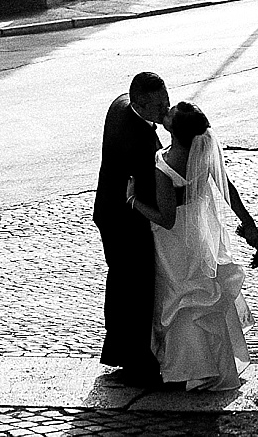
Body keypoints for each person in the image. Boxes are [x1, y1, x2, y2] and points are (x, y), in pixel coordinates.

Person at [128, 101, 258, 391]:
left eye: (171, 113)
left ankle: (191, 368)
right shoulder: (202, 153)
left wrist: (134, 202)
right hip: (199, 233)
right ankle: (209, 365)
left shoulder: (164, 164)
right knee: (201, 293)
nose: (167, 111)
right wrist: (248, 222)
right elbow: (228, 189)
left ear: (174, 130)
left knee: (179, 299)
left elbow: (165, 218)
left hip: (173, 242)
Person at [93, 70, 171, 387]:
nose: (165, 110)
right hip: (127, 219)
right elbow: (154, 190)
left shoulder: (120, 105)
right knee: (137, 288)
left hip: (109, 209)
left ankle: (119, 352)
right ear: (139, 103)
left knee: (122, 283)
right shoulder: (140, 143)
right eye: (158, 106)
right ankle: (137, 360)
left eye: (166, 100)